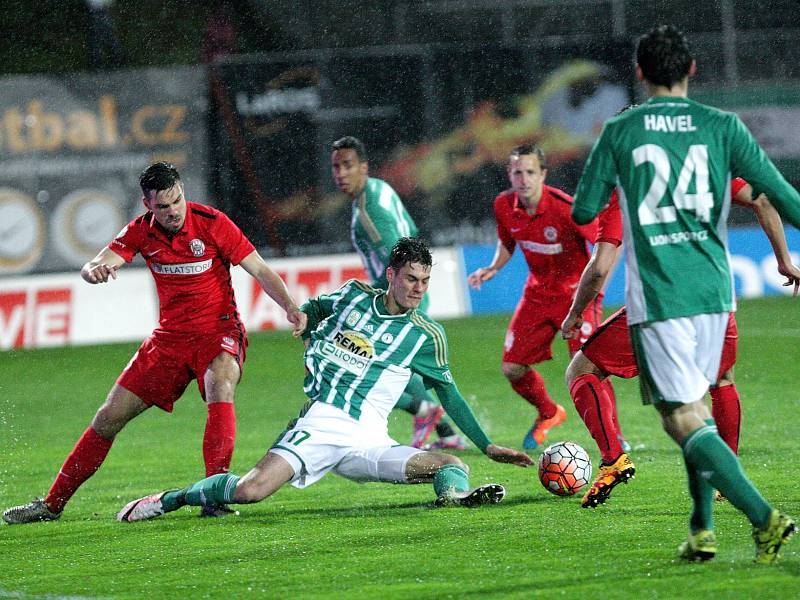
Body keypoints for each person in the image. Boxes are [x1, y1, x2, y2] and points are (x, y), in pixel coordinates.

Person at [571, 25, 800, 563]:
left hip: (662, 298)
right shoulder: (723, 126)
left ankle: (764, 518)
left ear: (640, 73)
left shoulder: (621, 130)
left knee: (681, 419)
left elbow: (583, 212)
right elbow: (784, 197)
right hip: (718, 294)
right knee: (698, 408)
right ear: (692, 70)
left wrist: (616, 181)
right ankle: (701, 529)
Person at [116, 237, 533, 522]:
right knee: (250, 490)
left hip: (369, 440)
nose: (418, 289)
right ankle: (169, 499)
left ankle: (454, 497)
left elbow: (449, 393)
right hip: (322, 423)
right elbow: (316, 309)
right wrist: (302, 317)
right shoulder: (354, 295)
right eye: (410, 279)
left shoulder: (425, 335)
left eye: (424, 281)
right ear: (390, 275)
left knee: (450, 464)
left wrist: (487, 445)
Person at [3, 162, 306, 525]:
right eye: (163, 206)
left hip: (218, 331)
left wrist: (290, 306)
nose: (173, 211)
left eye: (177, 200)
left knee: (219, 382)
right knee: (107, 418)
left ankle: (214, 496)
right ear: (148, 205)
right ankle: (51, 505)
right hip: (168, 341)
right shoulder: (140, 232)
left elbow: (260, 269)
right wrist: (94, 271)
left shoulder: (211, 223)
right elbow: (98, 262)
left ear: (182, 193)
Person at [562, 178, 800, 509]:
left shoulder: (628, 185)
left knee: (584, 370)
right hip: (715, 294)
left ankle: (614, 458)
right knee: (722, 381)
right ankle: (728, 478)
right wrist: (784, 260)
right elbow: (763, 200)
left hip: (663, 303)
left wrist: (575, 312)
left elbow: (600, 268)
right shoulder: (703, 163)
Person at [466, 143, 617, 450]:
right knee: (512, 368)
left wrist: (596, 291)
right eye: (517, 172)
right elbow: (507, 241)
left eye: (530, 172)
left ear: (543, 174)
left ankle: (613, 436)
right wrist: (493, 267)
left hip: (576, 297)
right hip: (536, 295)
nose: (523, 178)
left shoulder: (567, 208)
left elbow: (608, 244)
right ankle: (548, 413)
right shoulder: (504, 205)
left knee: (590, 366)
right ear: (509, 174)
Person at [331, 136, 466, 451]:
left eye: (348, 165)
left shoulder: (369, 211)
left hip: (399, 295)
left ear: (363, 167)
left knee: (360, 363)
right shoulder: (380, 188)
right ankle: (444, 431)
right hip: (409, 290)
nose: (341, 173)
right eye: (336, 167)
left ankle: (426, 414)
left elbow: (400, 259)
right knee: (396, 364)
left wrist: (374, 299)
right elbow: (412, 236)